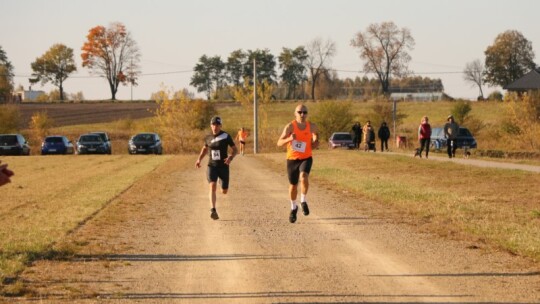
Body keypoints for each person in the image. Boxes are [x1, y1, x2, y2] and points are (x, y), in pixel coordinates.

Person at [277, 104, 319, 224]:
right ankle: (293, 208)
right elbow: (279, 143)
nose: (302, 114)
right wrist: (289, 139)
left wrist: (315, 141)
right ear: (295, 113)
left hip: (306, 157)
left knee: (304, 177)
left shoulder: (311, 126)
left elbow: (316, 134)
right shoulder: (290, 126)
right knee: (293, 186)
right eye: (300, 112)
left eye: (305, 112)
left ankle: (303, 201)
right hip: (292, 160)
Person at [195, 116, 238, 220]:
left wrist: (230, 158)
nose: (215, 127)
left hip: (223, 166)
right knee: (212, 186)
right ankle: (213, 210)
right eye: (213, 125)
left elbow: (235, 149)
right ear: (211, 126)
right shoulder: (208, 137)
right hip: (212, 166)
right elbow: (204, 149)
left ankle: (221, 182)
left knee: (224, 191)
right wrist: (199, 159)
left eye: (218, 125)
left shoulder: (226, 136)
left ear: (221, 126)